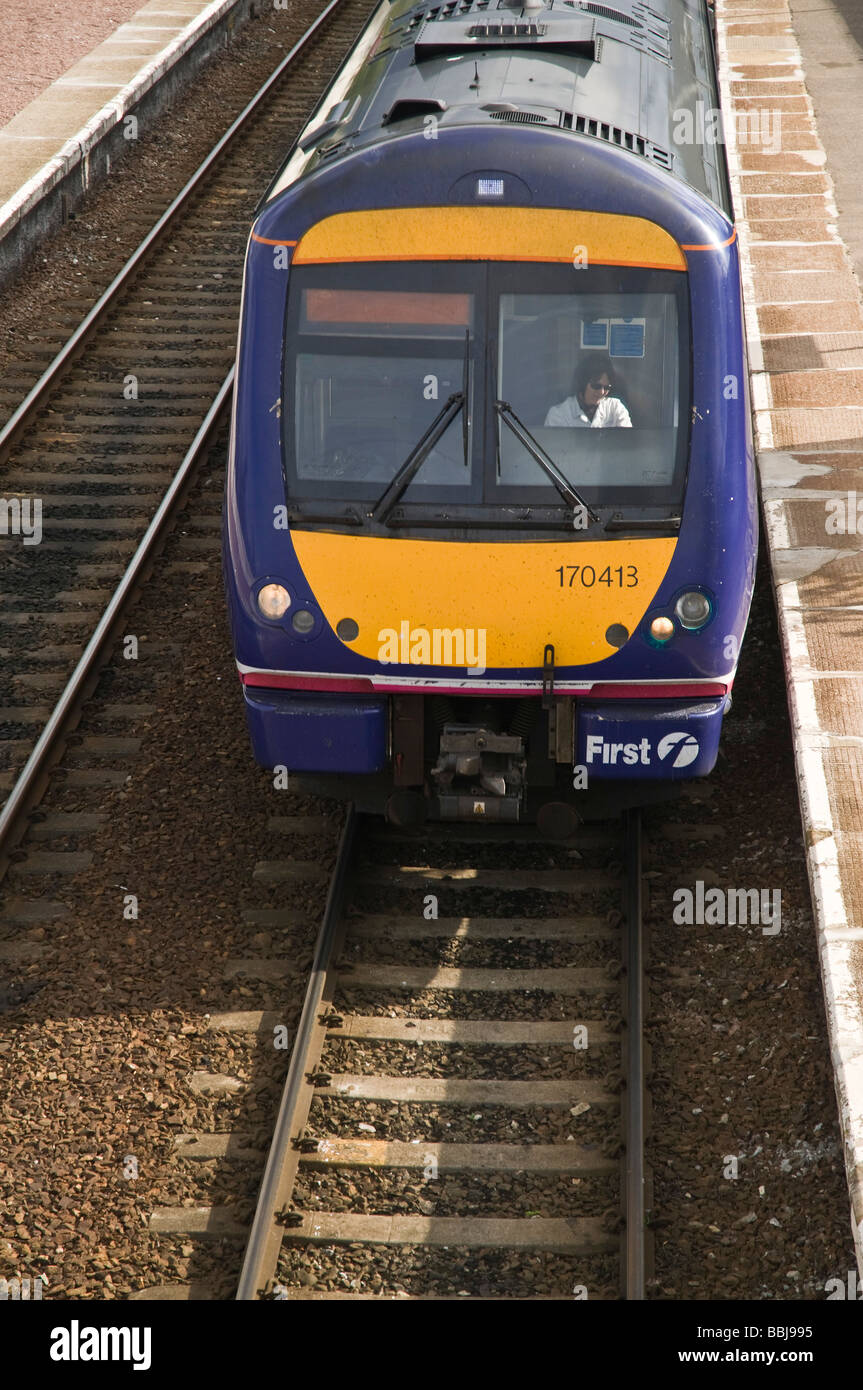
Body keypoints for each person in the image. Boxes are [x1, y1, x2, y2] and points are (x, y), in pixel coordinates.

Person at [545, 356, 632, 428]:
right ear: (582, 383)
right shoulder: (559, 414)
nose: (602, 392)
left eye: (606, 387)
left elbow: (626, 442)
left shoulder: (615, 408)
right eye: (596, 386)